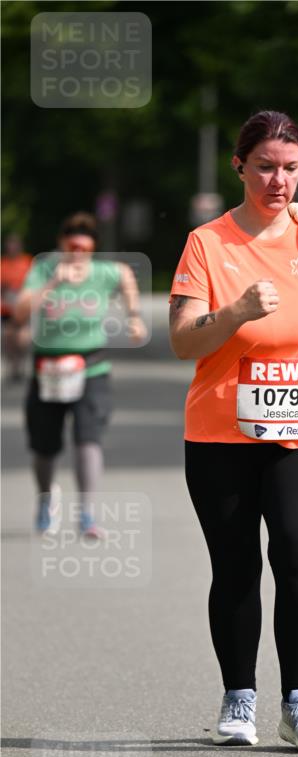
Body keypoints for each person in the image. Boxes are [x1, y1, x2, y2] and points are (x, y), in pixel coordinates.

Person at [169, 109, 298, 752]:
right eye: (265, 168)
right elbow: (181, 339)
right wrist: (237, 311)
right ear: (239, 167)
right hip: (222, 427)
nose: (279, 181)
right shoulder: (208, 243)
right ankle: (238, 699)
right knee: (237, 565)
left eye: (290, 169)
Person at [14, 212, 146, 536]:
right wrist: (53, 282)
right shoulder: (43, 269)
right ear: (62, 245)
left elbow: (125, 275)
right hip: (48, 367)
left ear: (92, 250)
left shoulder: (103, 272)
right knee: (44, 446)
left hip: (90, 367)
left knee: (88, 439)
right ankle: (46, 499)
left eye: (84, 249)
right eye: (72, 246)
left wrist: (134, 316)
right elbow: (20, 311)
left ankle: (86, 512)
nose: (77, 254)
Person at [1, 233, 33, 381]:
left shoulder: (27, 262)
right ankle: (12, 364)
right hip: (6, 307)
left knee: (22, 338)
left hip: (23, 305)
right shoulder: (3, 264)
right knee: (8, 337)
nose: (12, 248)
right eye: (10, 245)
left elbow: (33, 284)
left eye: (15, 245)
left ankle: (20, 362)